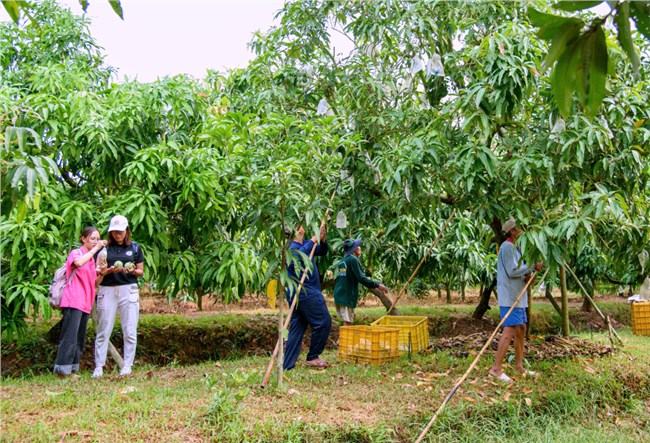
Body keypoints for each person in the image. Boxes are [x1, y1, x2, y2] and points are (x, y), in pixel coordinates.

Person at [489, 217, 543, 383]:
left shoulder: (517, 248)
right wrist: (533, 266)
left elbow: (518, 273)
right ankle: (496, 369)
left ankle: (518, 366)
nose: (523, 230)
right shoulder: (507, 247)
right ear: (512, 230)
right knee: (510, 329)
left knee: (521, 328)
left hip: (518, 297)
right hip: (510, 297)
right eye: (520, 227)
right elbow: (512, 271)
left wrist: (528, 277)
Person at [92, 215, 144, 378]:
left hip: (128, 289)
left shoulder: (135, 248)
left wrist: (132, 271)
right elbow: (98, 271)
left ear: (126, 231)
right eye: (114, 232)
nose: (117, 234)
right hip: (107, 290)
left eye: (120, 231)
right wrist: (106, 271)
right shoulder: (104, 249)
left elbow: (140, 271)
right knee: (103, 329)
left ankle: (127, 365)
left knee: (129, 329)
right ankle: (99, 366)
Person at [53, 227, 108, 378]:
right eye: (92, 238)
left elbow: (94, 283)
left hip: (85, 303)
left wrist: (103, 273)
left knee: (79, 338)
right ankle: (63, 371)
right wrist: (95, 249)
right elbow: (77, 263)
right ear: (83, 239)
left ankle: (72, 369)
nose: (96, 242)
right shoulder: (77, 253)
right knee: (69, 337)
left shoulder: (91, 260)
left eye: (98, 239)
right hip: (73, 301)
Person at [283, 223, 331, 370]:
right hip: (305, 291)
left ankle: (287, 365)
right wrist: (312, 241)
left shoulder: (303, 244)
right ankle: (313, 357)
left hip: (302, 293)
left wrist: (322, 240)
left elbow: (321, 252)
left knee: (297, 328)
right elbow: (294, 261)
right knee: (323, 321)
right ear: (297, 231)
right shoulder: (291, 248)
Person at [334, 238, 388, 326]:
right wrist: (378, 285)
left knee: (347, 321)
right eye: (358, 246)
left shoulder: (343, 260)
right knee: (347, 323)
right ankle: (341, 340)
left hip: (340, 295)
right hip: (346, 296)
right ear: (354, 249)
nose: (360, 248)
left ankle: (342, 340)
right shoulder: (353, 260)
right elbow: (361, 278)